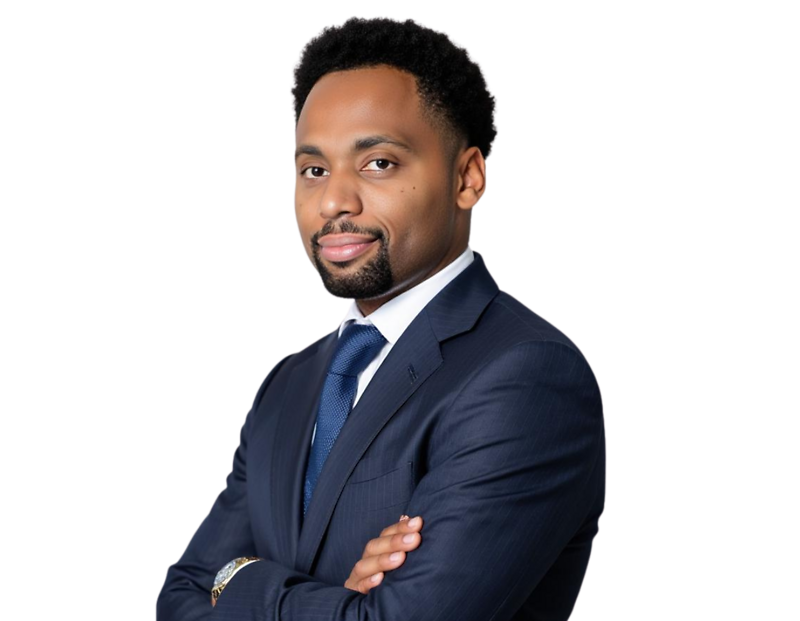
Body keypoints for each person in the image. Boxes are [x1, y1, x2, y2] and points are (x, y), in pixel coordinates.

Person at [156, 15, 606, 621]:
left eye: (379, 164)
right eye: (313, 170)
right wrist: (338, 598)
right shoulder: (287, 385)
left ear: (468, 178)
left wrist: (239, 580)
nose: (335, 200)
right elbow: (178, 599)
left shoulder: (526, 375)